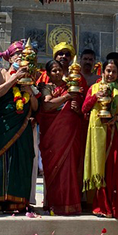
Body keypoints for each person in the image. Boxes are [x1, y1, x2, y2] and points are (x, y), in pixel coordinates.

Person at [82, 58, 118, 219]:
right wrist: (96, 96)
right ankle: (102, 207)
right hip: (98, 134)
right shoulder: (94, 88)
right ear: (102, 72)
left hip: (116, 135)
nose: (110, 74)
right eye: (108, 71)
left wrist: (116, 118)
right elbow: (85, 108)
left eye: (114, 71)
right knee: (100, 169)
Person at [0, 42, 36, 212]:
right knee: (2, 160)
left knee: (21, 159)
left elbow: (36, 105)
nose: (20, 57)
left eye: (23, 54)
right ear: (9, 57)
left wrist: (28, 89)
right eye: (17, 54)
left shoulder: (30, 76)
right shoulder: (1, 73)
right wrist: (15, 78)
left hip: (22, 124)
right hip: (5, 123)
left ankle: (20, 200)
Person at [37, 59, 84, 215]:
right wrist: (66, 98)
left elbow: (81, 110)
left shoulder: (72, 87)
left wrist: (77, 108)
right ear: (48, 73)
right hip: (53, 136)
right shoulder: (46, 87)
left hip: (69, 134)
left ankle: (71, 204)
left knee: (70, 166)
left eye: (59, 70)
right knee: (53, 169)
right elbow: (47, 105)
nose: (57, 73)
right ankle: (54, 203)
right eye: (54, 70)